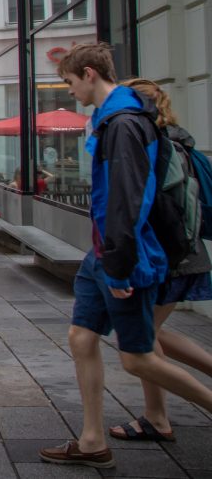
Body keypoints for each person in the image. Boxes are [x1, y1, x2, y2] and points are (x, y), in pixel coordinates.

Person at [40, 43, 212, 469]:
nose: (69, 92)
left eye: (70, 82)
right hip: (104, 252)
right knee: (81, 338)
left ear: (90, 74)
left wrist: (119, 267)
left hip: (125, 255)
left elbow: (127, 202)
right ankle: (93, 441)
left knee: (138, 358)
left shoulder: (123, 124)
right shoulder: (111, 120)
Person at [106, 78, 212, 443]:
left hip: (170, 257)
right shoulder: (177, 141)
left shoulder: (149, 143)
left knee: (141, 340)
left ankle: (157, 417)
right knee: (149, 333)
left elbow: (142, 206)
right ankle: (156, 416)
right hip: (186, 252)